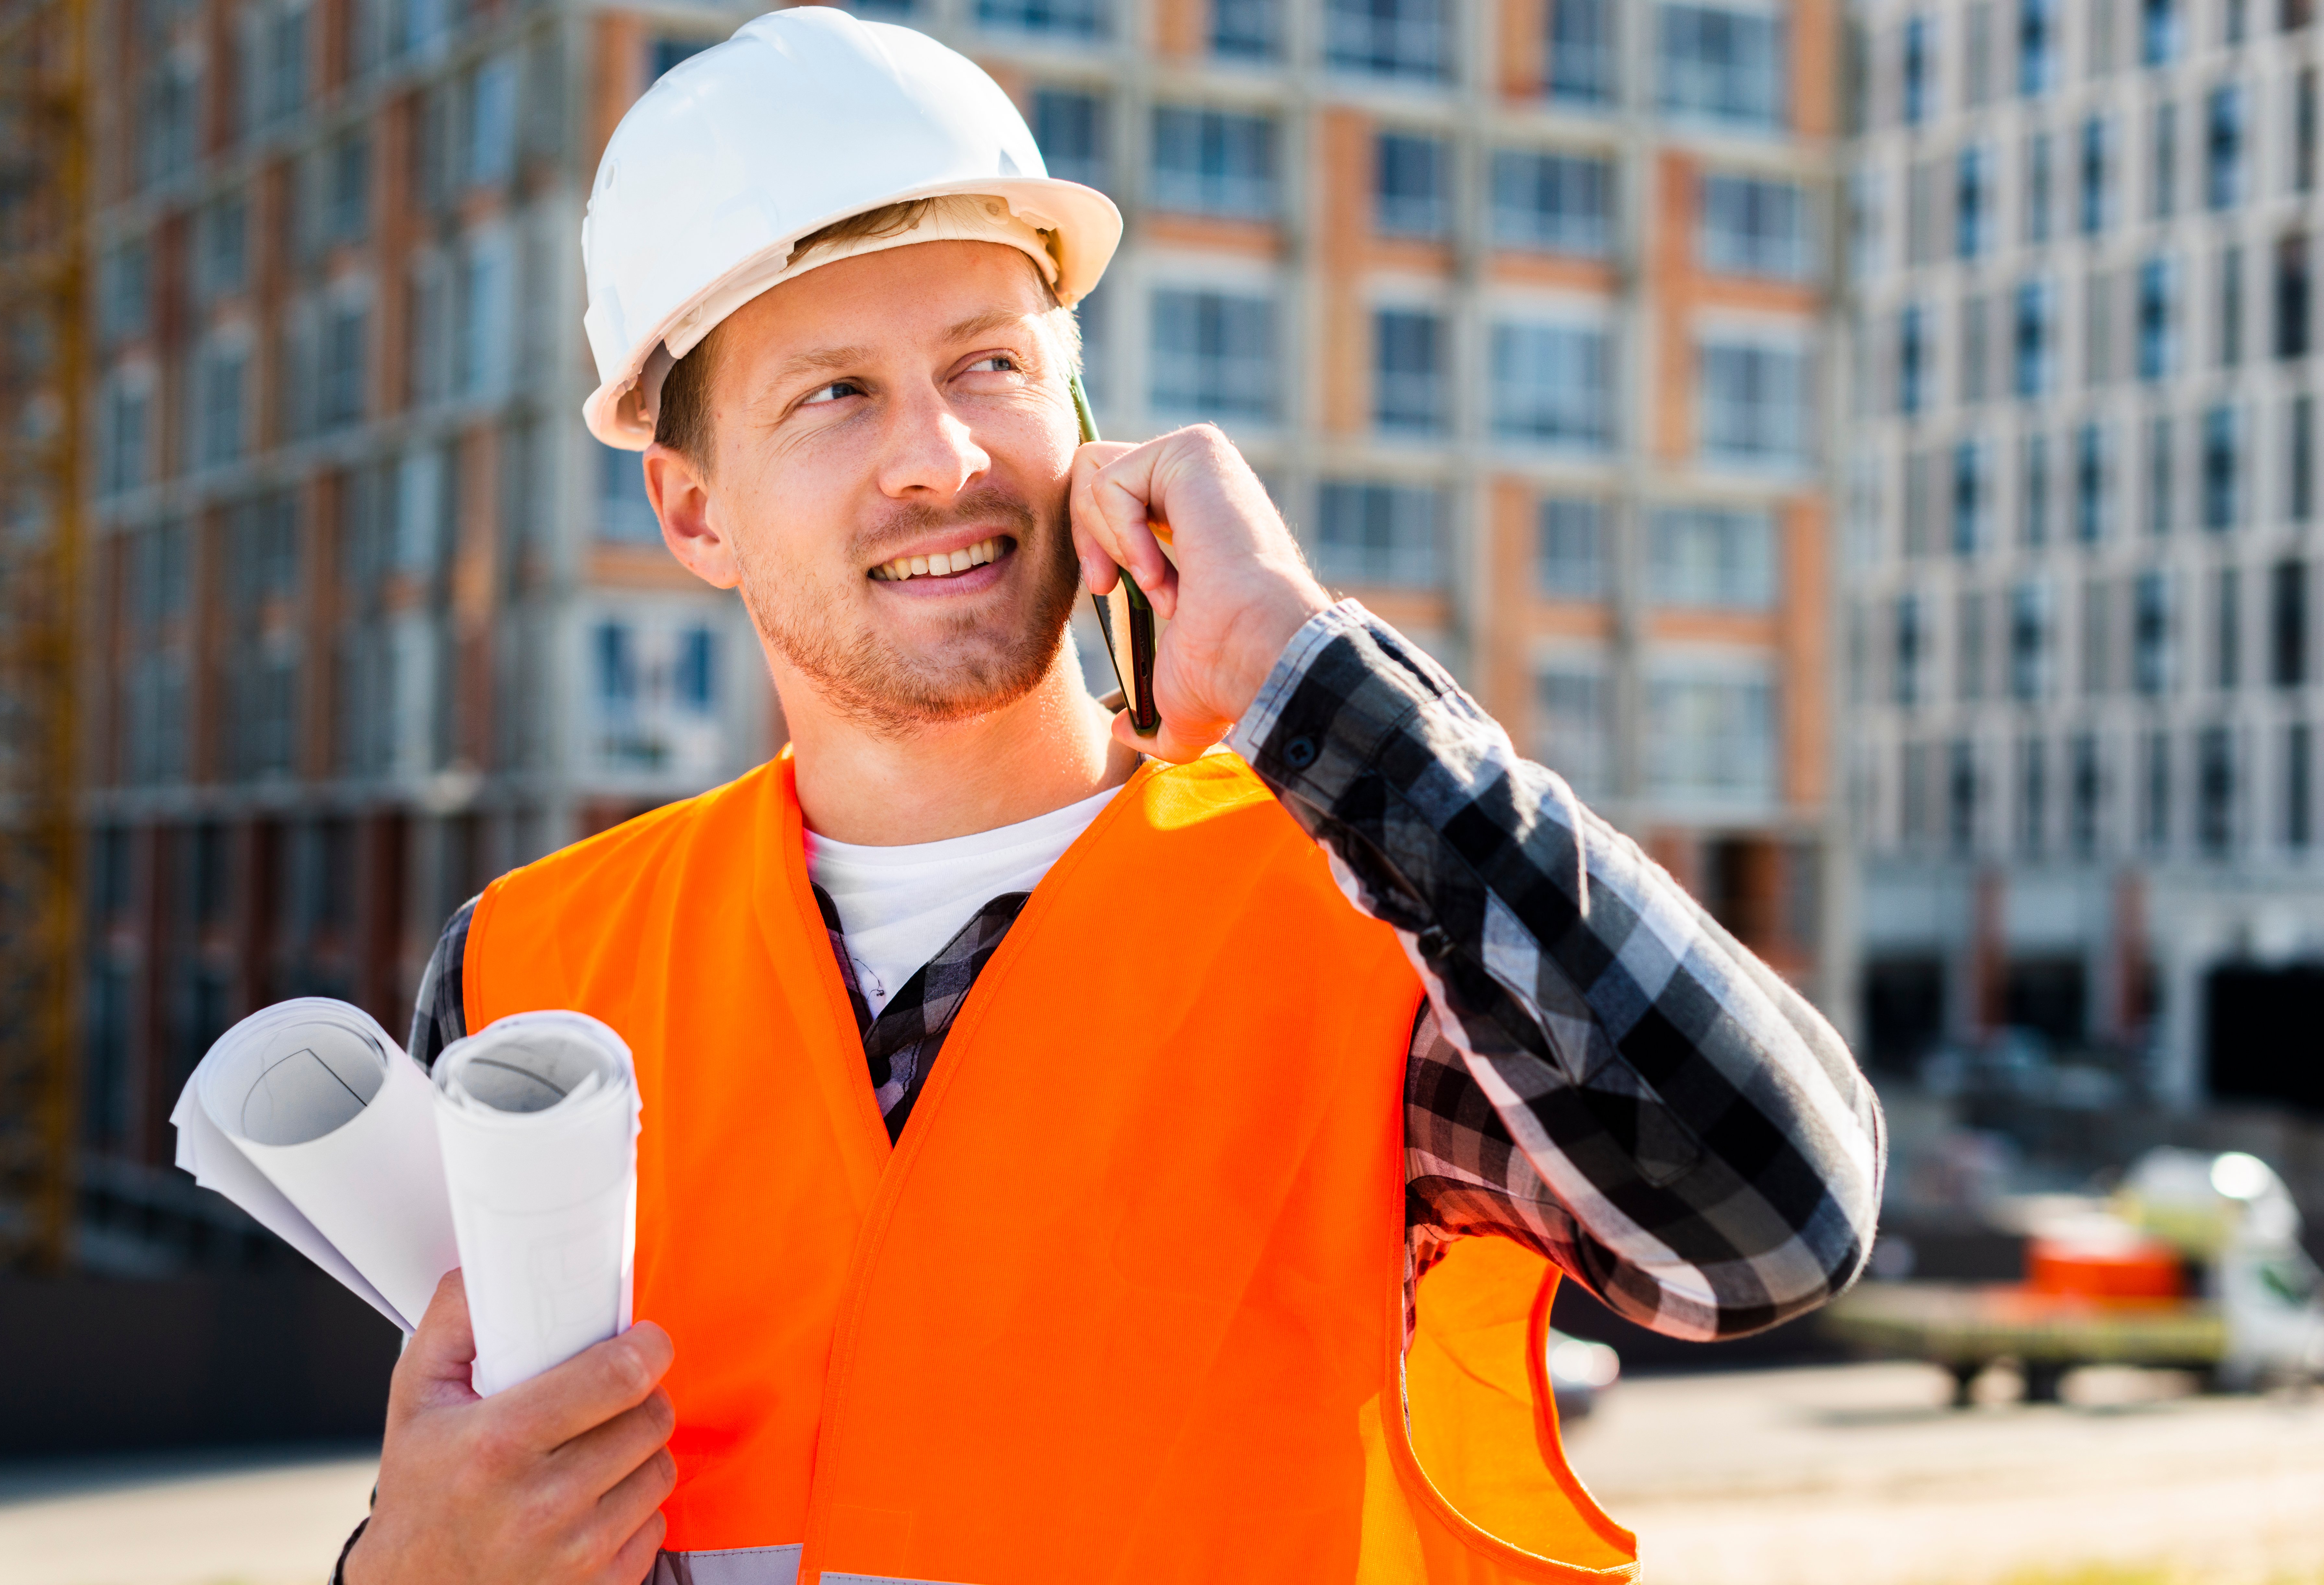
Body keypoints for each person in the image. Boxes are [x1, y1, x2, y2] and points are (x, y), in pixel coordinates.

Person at [338, 13, 1881, 1585]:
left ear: (1080, 411)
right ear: (690, 509)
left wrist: (1306, 675)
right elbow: (489, 1491)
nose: (939, 457)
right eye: (834, 397)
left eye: (989, 364)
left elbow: (1770, 1233)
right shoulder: (527, 974)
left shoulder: (1359, 904)